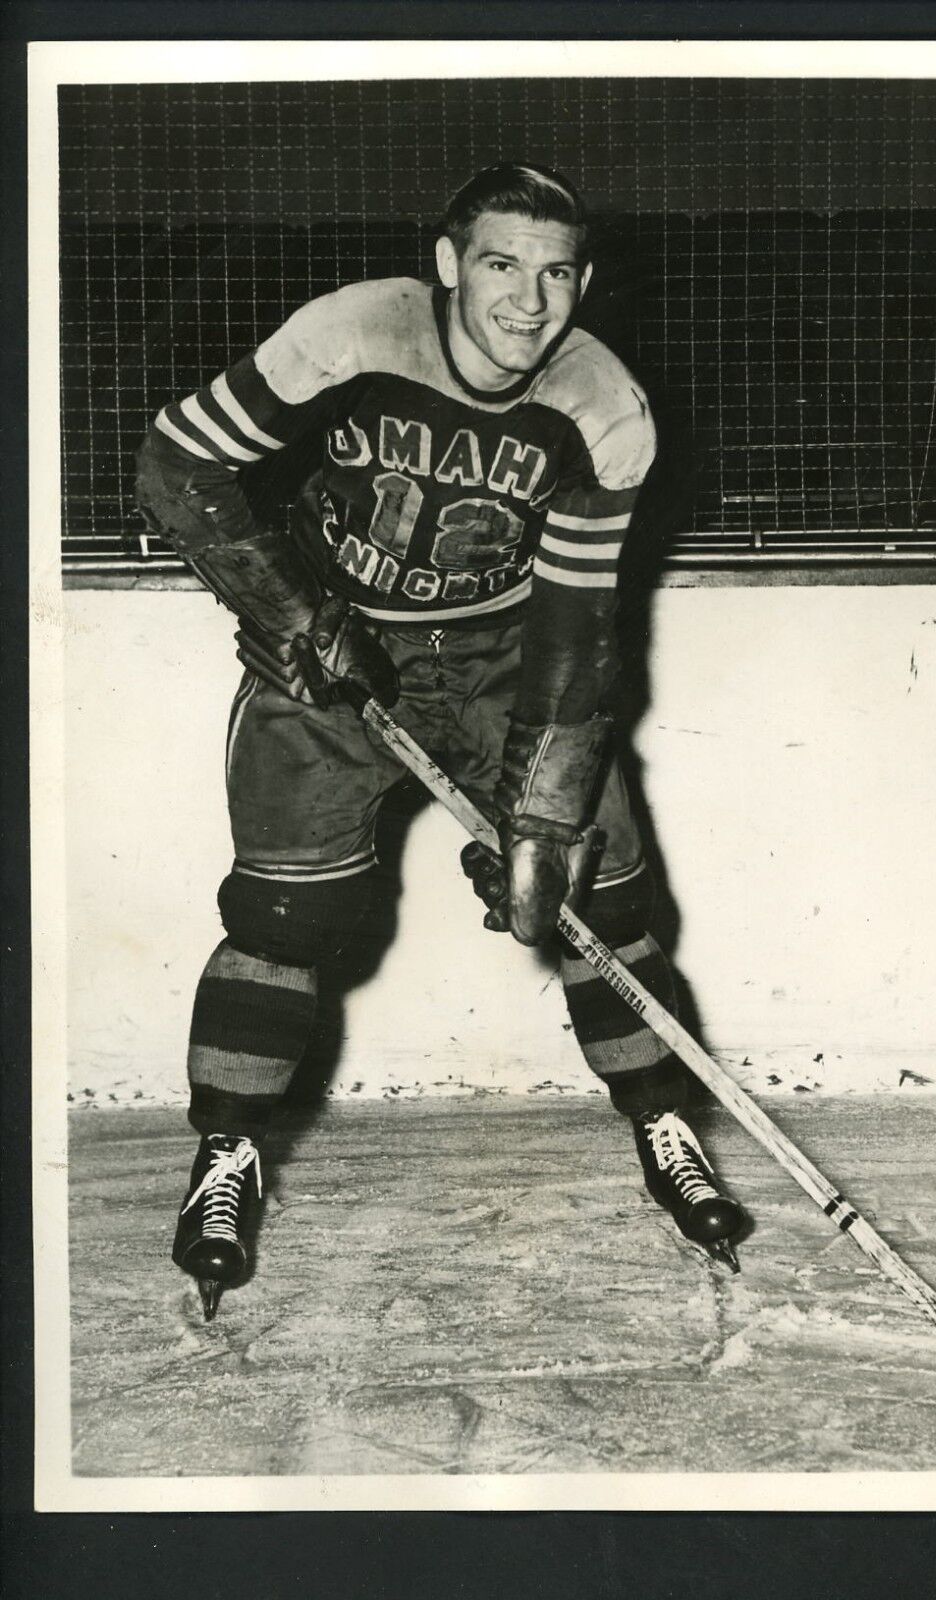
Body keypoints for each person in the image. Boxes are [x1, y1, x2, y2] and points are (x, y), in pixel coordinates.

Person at [135, 161, 745, 1319]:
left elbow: (575, 624)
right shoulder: (347, 333)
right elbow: (180, 462)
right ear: (449, 264)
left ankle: (664, 1119)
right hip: (333, 644)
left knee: (595, 900)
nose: (529, 301)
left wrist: (544, 803)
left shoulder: (603, 408)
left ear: (583, 281)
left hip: (501, 654)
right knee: (284, 917)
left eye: (556, 272)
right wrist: (287, 610)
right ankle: (227, 1155)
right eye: (502, 266)